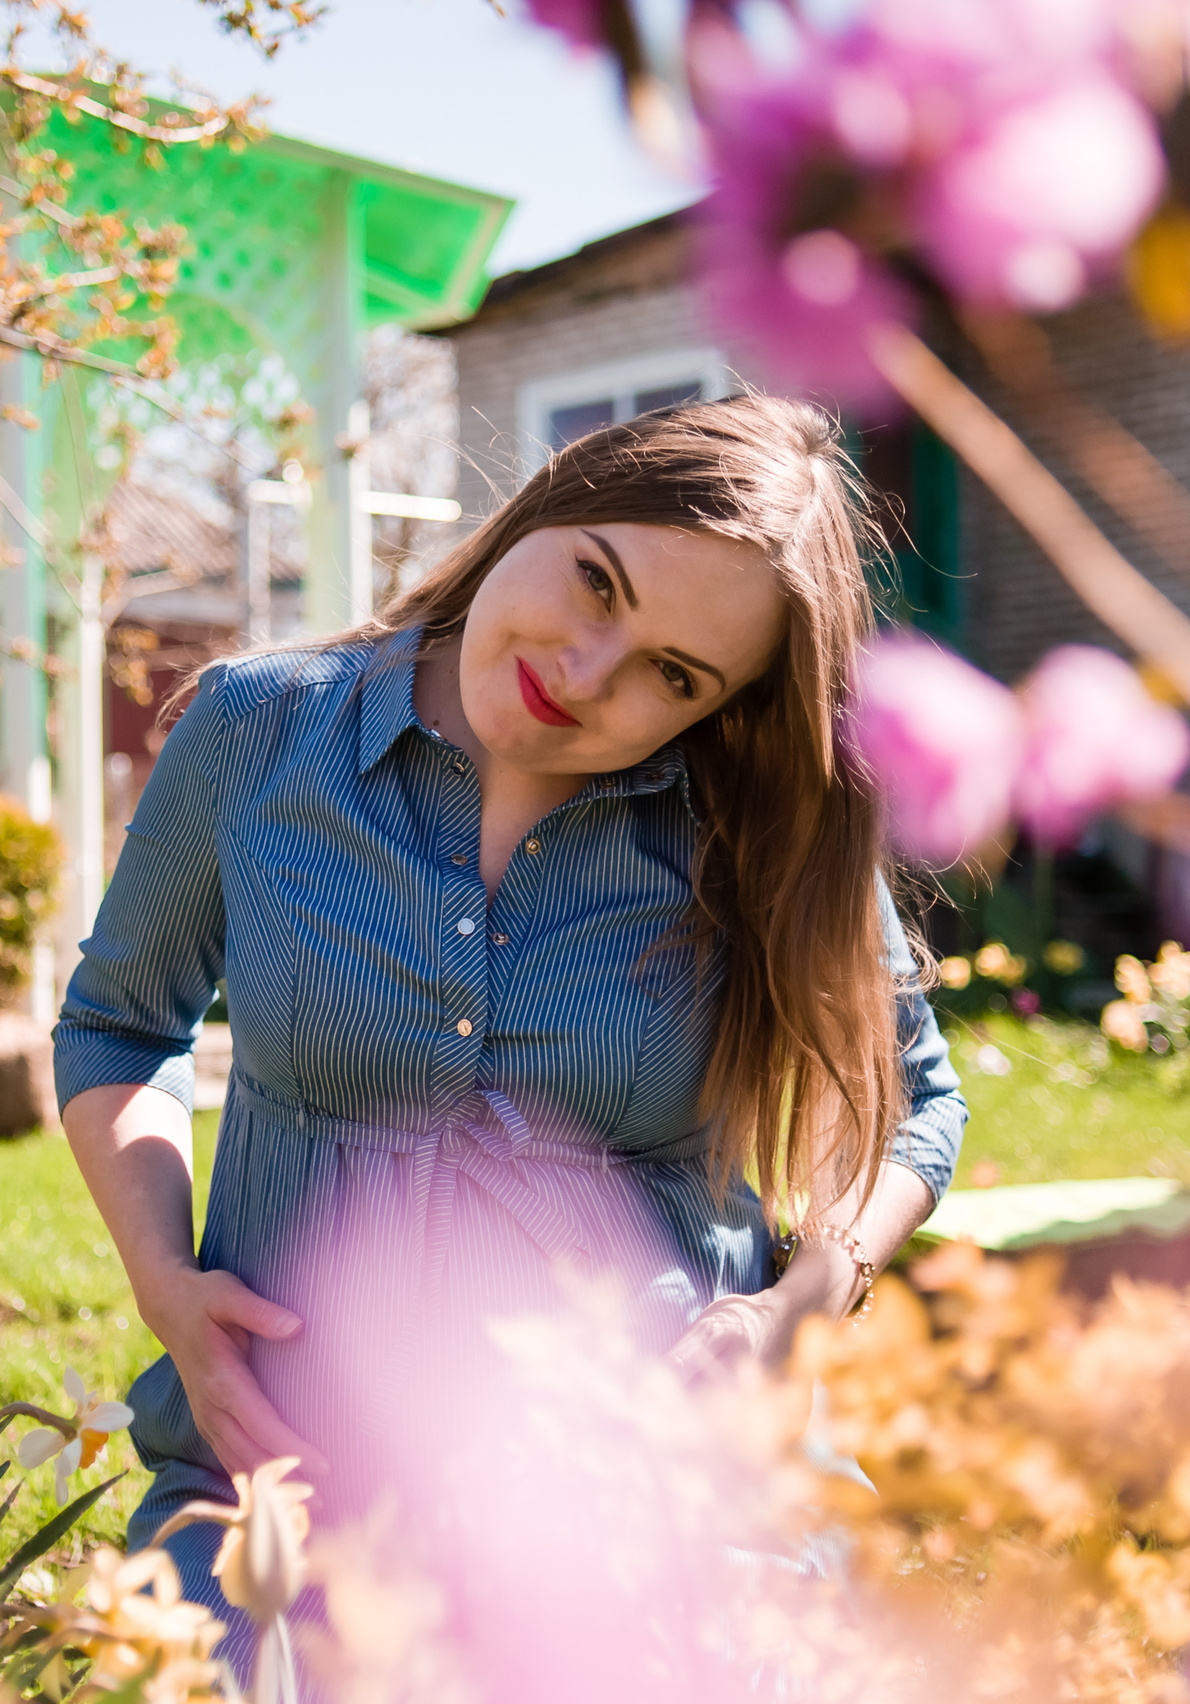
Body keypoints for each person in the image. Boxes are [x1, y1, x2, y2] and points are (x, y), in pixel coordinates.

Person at [53, 395, 966, 1663]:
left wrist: (798, 1304)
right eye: (597, 583)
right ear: (547, 505)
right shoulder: (254, 731)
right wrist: (165, 1285)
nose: (585, 675)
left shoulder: (759, 823)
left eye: (673, 675)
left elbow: (913, 1106)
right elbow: (119, 1022)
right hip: (282, 1497)